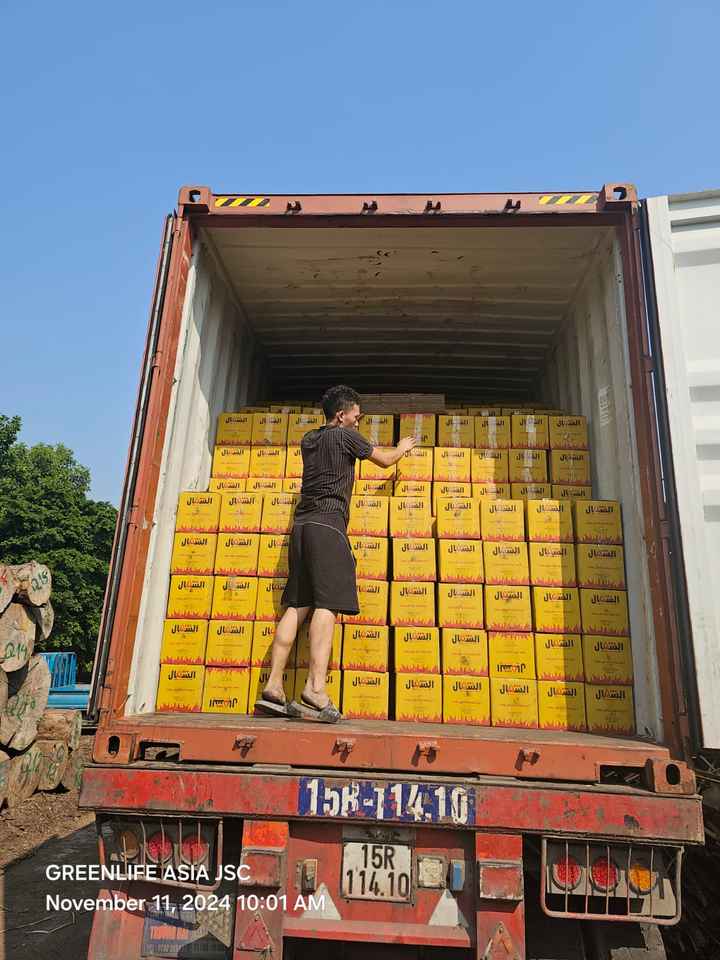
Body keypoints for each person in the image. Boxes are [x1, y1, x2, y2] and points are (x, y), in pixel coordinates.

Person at [256, 385, 417, 723]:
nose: (358, 423)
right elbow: (384, 461)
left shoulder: (309, 440)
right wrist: (402, 448)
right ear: (342, 415)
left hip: (301, 528)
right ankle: (315, 688)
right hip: (328, 527)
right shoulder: (345, 436)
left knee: (297, 605)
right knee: (327, 605)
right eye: (357, 417)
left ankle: (273, 685)